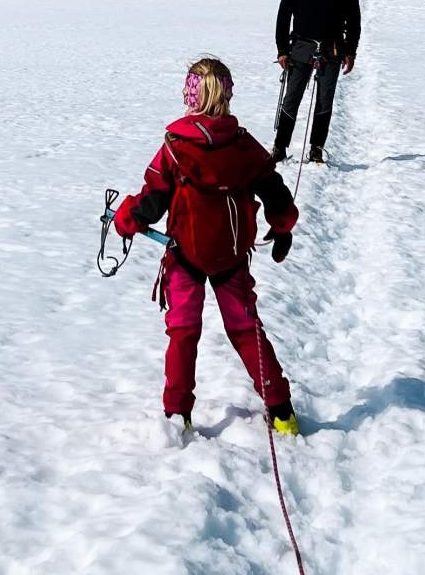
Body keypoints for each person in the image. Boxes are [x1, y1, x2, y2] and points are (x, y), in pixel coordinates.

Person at [114, 57, 300, 438]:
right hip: (231, 257)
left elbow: (151, 202)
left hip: (185, 256)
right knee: (247, 330)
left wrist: (126, 218)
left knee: (183, 332)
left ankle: (176, 415)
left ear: (191, 95)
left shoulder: (174, 147)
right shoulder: (245, 145)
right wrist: (282, 228)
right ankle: (282, 411)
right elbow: (275, 191)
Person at [272, 0, 361, 164]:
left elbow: (354, 21)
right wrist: (282, 50)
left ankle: (316, 148)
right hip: (301, 47)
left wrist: (351, 51)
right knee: (291, 98)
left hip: (332, 49)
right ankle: (280, 147)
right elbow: (283, 16)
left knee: (324, 101)